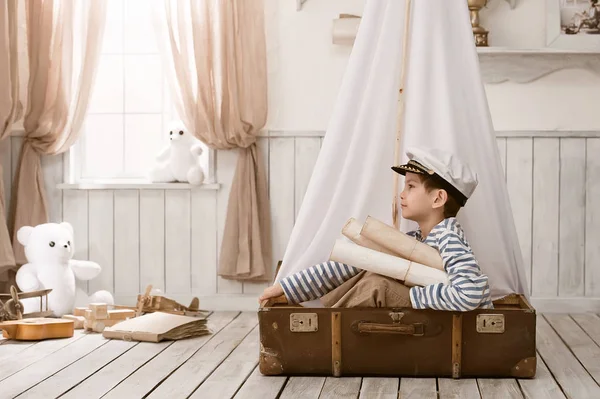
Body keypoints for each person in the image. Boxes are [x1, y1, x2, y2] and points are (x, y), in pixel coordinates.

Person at [258, 147, 493, 311]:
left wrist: (413, 297)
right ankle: (325, 317)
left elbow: (469, 294)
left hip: (446, 320)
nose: (402, 194)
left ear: (438, 199)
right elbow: (347, 266)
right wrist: (287, 287)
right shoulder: (417, 239)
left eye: (411, 186)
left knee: (376, 285)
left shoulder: (449, 238)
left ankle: (329, 330)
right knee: (365, 269)